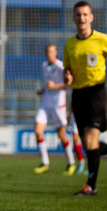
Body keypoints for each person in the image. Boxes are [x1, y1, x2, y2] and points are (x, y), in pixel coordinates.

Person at [62, 0, 107, 196]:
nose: (82, 18)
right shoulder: (69, 44)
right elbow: (67, 69)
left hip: (96, 93)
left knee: (91, 140)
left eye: (85, 14)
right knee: (87, 145)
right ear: (74, 17)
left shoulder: (103, 39)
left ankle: (91, 186)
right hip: (78, 95)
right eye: (78, 14)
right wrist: (67, 75)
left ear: (91, 17)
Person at [32, 43, 76, 175]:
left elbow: (69, 82)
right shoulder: (44, 65)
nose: (49, 54)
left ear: (55, 53)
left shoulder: (60, 66)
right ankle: (45, 163)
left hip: (58, 105)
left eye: (51, 51)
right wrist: (42, 90)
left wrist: (54, 86)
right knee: (38, 131)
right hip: (45, 103)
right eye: (47, 52)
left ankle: (71, 162)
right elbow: (48, 84)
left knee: (61, 134)